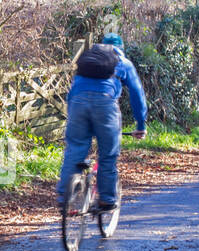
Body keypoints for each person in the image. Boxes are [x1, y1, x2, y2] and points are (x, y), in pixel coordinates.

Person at [56, 33, 147, 212]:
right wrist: (141, 125)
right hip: (105, 105)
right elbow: (137, 95)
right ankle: (106, 199)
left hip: (77, 103)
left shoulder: (88, 59)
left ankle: (64, 195)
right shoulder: (124, 63)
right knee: (108, 153)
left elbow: (74, 90)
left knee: (75, 149)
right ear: (121, 49)